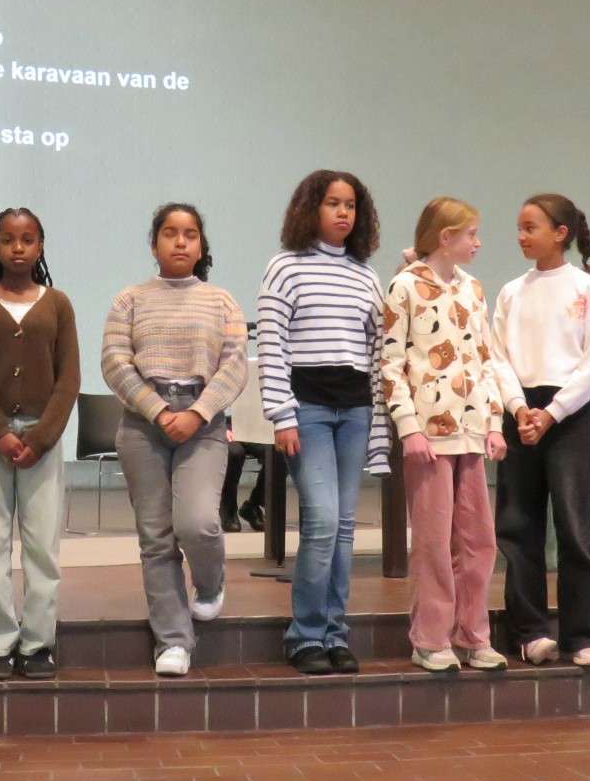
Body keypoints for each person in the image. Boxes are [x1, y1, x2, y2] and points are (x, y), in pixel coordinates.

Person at [101, 203, 247, 677]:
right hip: (144, 424)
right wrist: (159, 409)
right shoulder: (130, 299)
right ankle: (173, 641)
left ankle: (210, 585)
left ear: (202, 245)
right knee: (156, 539)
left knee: (200, 522)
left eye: (189, 234)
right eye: (169, 233)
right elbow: (115, 362)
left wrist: (198, 412)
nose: (180, 242)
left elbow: (235, 364)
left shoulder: (222, 301)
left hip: (202, 422)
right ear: (154, 243)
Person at [257, 171, 386, 676]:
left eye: (350, 205)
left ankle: (335, 633)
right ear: (310, 209)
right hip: (306, 411)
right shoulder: (284, 268)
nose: (342, 213)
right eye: (332, 203)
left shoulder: (366, 275)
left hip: (354, 411)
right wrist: (281, 414)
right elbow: (271, 345)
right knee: (323, 521)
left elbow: (378, 348)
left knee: (346, 527)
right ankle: (305, 635)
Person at [0, 207, 78, 680]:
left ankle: (39, 643)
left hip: (43, 440)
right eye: (7, 239)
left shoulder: (58, 303)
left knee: (43, 545)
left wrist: (41, 438)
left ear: (41, 246)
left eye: (27, 239)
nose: (17, 247)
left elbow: (69, 380)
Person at [487, 194, 590, 668]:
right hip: (521, 413)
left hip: (571, 415)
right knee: (519, 524)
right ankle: (531, 630)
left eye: (530, 227)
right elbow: (496, 356)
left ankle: (582, 634)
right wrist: (520, 407)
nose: (521, 236)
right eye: (518, 228)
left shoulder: (586, 288)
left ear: (561, 233)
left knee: (574, 526)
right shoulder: (510, 292)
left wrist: (553, 411)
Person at [382, 197, 508, 673]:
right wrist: (409, 428)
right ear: (444, 237)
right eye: (470, 234)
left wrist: (494, 423)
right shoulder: (405, 287)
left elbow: (486, 360)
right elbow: (391, 365)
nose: (478, 242)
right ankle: (430, 638)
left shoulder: (474, 290)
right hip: (429, 440)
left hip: (473, 432)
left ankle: (474, 634)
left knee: (478, 541)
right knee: (434, 541)